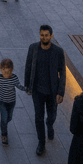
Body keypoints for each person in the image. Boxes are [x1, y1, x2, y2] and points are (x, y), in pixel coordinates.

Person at [24, 26, 65, 156]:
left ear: (51, 36)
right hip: (37, 91)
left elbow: (62, 73)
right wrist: (27, 86)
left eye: (47, 35)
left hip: (53, 91)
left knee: (52, 115)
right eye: (42, 35)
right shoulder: (33, 48)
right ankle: (41, 143)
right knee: (38, 117)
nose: (44, 37)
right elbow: (28, 67)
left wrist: (61, 92)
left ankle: (50, 125)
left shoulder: (58, 51)